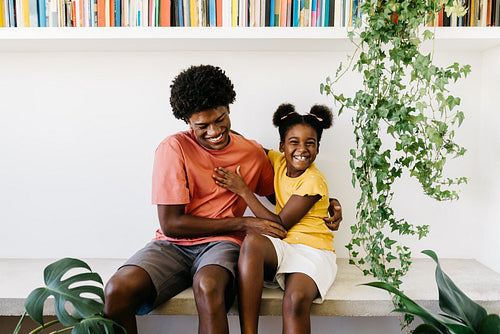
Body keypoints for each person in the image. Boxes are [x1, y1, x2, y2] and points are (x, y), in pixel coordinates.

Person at [103, 65, 342, 334]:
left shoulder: (252, 153)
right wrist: (242, 223)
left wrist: (327, 201)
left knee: (209, 286)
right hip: (172, 245)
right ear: (187, 123)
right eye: (202, 126)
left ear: (229, 108)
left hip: (222, 245)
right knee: (116, 290)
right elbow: (171, 224)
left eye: (220, 119)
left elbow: (289, 191)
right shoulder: (173, 148)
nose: (214, 131)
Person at [213, 103, 338, 334]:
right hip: (285, 245)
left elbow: (278, 225)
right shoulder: (277, 161)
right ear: (282, 146)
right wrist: (217, 127)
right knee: (252, 241)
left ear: (318, 148)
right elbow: (246, 143)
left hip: (313, 252)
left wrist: (244, 192)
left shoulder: (313, 180)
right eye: (294, 142)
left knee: (295, 299)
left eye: (310, 143)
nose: (302, 149)